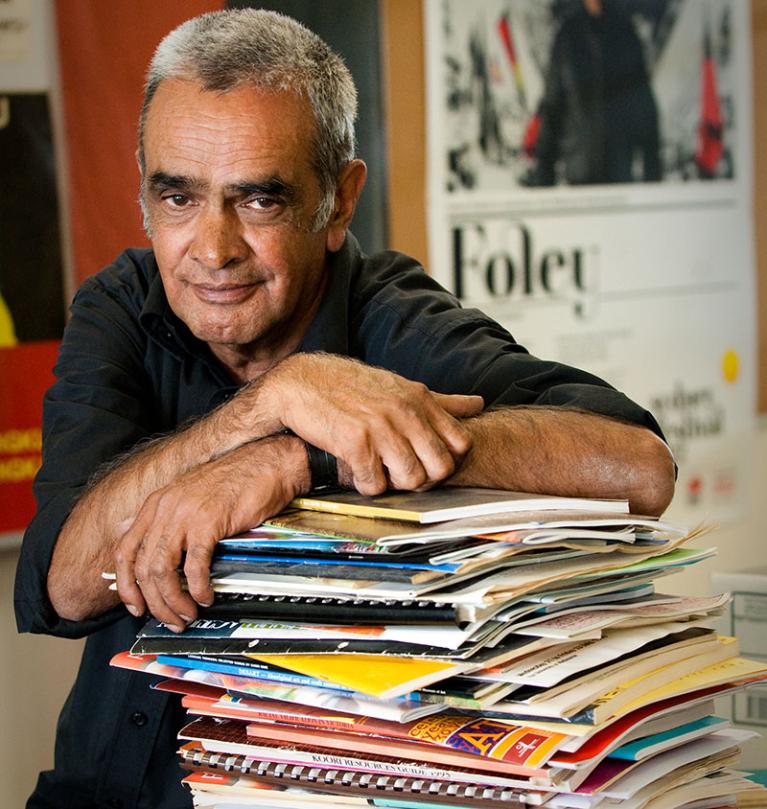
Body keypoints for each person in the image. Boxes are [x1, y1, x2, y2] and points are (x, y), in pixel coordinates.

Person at [14, 8, 675, 808]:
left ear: (338, 202)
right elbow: (62, 585)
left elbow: (637, 466)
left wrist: (302, 457)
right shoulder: (121, 303)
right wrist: (268, 406)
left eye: (258, 201)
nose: (212, 248)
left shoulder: (391, 310)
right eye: (179, 197)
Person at [524, 0, 662, 186]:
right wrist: (544, 171)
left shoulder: (625, 33)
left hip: (619, 170)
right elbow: (553, 105)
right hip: (580, 170)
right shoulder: (568, 35)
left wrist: (652, 171)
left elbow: (644, 106)